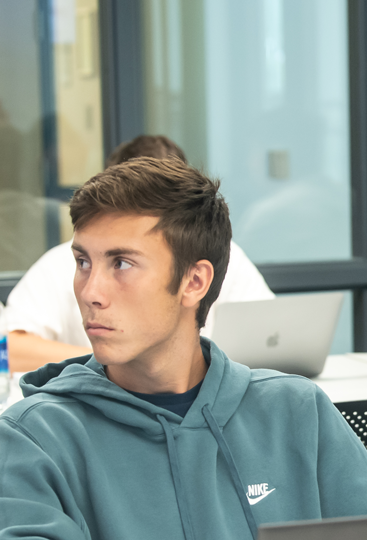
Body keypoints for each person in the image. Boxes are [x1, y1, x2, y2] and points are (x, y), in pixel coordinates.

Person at [0, 157, 367, 540]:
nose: (90, 291)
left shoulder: (294, 409)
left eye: (121, 263)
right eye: (83, 261)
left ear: (194, 281)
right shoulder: (36, 434)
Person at [1, 135, 273, 372]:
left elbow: (273, 331)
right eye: (83, 262)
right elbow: (9, 348)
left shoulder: (222, 256)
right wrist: (103, 363)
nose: (91, 293)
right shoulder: (58, 264)